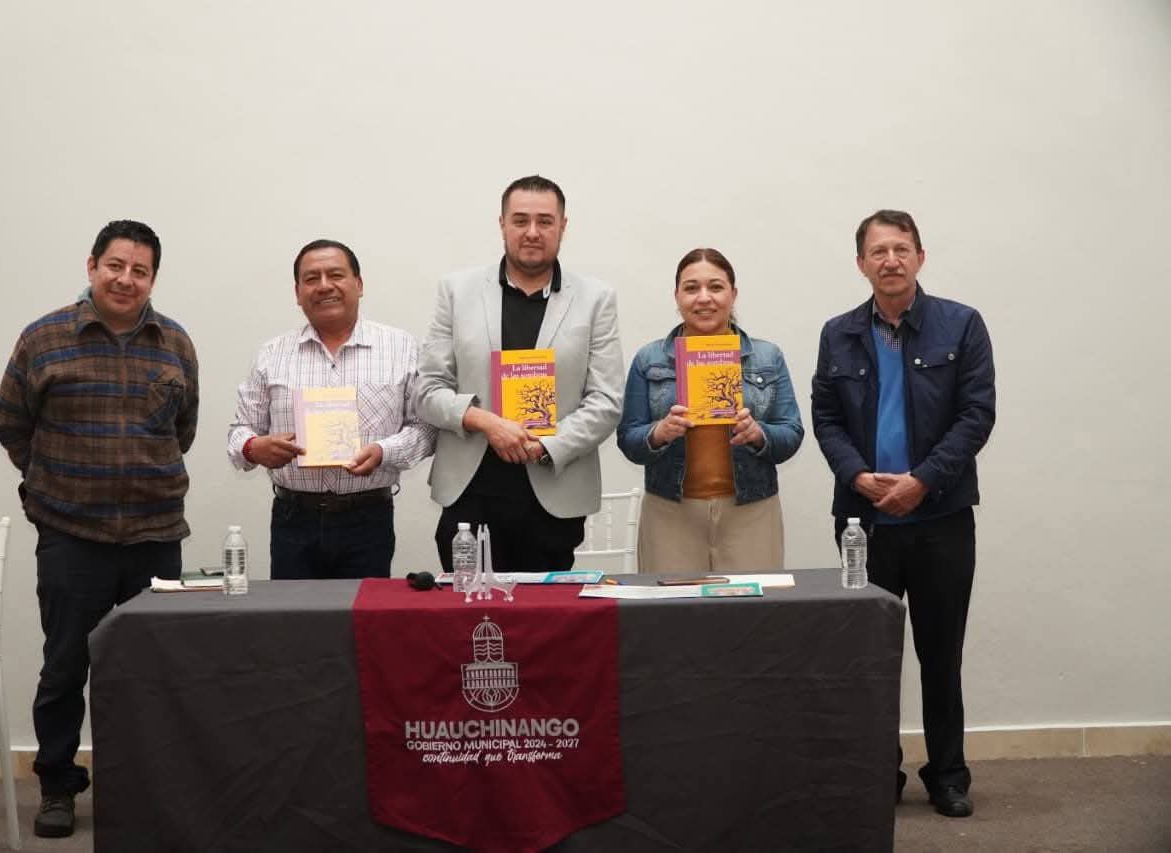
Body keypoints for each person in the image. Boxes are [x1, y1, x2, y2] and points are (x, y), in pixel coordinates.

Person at [0, 219, 197, 838]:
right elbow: (11, 424)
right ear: (92, 266)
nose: (126, 279)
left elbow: (182, 430)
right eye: (115, 265)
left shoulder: (175, 343)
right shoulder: (44, 338)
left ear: (152, 279)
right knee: (64, 667)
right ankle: (57, 785)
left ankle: (143, 785)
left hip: (155, 537)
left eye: (140, 270)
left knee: (151, 669)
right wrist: (55, 483)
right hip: (71, 536)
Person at [811, 210, 995, 818]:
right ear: (860, 264)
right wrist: (856, 476)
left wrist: (923, 480)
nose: (890, 260)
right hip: (863, 525)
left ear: (920, 256)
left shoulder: (961, 324)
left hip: (941, 520)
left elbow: (976, 414)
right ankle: (875, 773)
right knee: (870, 658)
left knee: (941, 655)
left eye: (901, 248)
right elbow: (826, 418)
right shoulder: (838, 333)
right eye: (878, 251)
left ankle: (948, 774)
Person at [416, 175, 624, 572]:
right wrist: (487, 422)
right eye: (520, 220)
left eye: (545, 221)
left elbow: (606, 400)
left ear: (563, 226)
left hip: (553, 494)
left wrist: (546, 445)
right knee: (467, 609)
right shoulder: (456, 291)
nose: (532, 232)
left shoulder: (596, 298)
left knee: (544, 611)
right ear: (502, 224)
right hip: (470, 493)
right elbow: (428, 389)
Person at [227, 239, 436, 579]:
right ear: (297, 293)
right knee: (293, 612)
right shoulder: (271, 354)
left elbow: (425, 428)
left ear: (359, 284)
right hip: (293, 518)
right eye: (312, 278)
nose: (324, 286)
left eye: (335, 275)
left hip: (368, 517)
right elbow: (240, 429)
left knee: (361, 611)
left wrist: (383, 451)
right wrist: (254, 448)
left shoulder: (401, 348)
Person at [617, 248, 803, 571]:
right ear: (676, 297)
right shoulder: (649, 359)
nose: (704, 298)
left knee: (753, 604)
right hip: (670, 512)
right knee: (673, 603)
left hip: (751, 510)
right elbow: (628, 438)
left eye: (715, 287)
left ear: (734, 294)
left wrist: (758, 434)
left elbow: (792, 433)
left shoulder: (767, 357)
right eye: (691, 288)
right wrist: (659, 433)